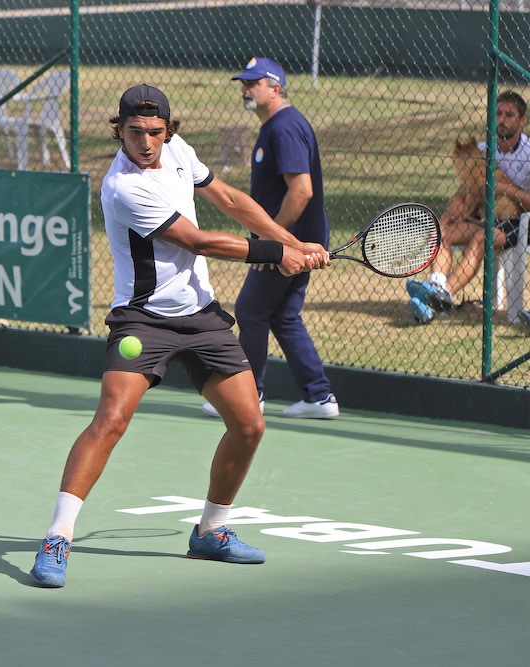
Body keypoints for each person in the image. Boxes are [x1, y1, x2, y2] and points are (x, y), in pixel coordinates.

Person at [29, 84, 329, 588]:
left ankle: (211, 532)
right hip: (143, 320)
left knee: (249, 425)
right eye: (135, 132)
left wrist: (291, 240)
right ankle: (58, 536)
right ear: (119, 131)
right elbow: (196, 240)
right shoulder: (122, 187)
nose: (146, 143)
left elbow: (229, 199)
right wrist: (277, 254)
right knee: (110, 421)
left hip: (201, 316)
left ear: (168, 130)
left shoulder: (178, 151)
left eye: (155, 132)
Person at [202, 57, 338, 420]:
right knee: (283, 315)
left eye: (253, 83)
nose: (246, 90)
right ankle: (319, 397)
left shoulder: (284, 128)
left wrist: (272, 244)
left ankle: (249, 397)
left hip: (289, 242)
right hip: (295, 238)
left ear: (275, 88)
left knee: (250, 309)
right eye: (244, 84)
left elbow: (302, 191)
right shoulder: (276, 126)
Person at [406, 90, 530, 322]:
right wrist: (443, 221)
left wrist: (504, 189)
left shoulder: (529, 153)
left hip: (518, 223)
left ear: (521, 120)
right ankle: (435, 289)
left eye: (509, 115)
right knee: (443, 235)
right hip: (486, 219)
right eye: (498, 114)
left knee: (481, 239)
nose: (502, 119)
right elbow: (464, 194)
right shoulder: (481, 150)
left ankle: (442, 295)